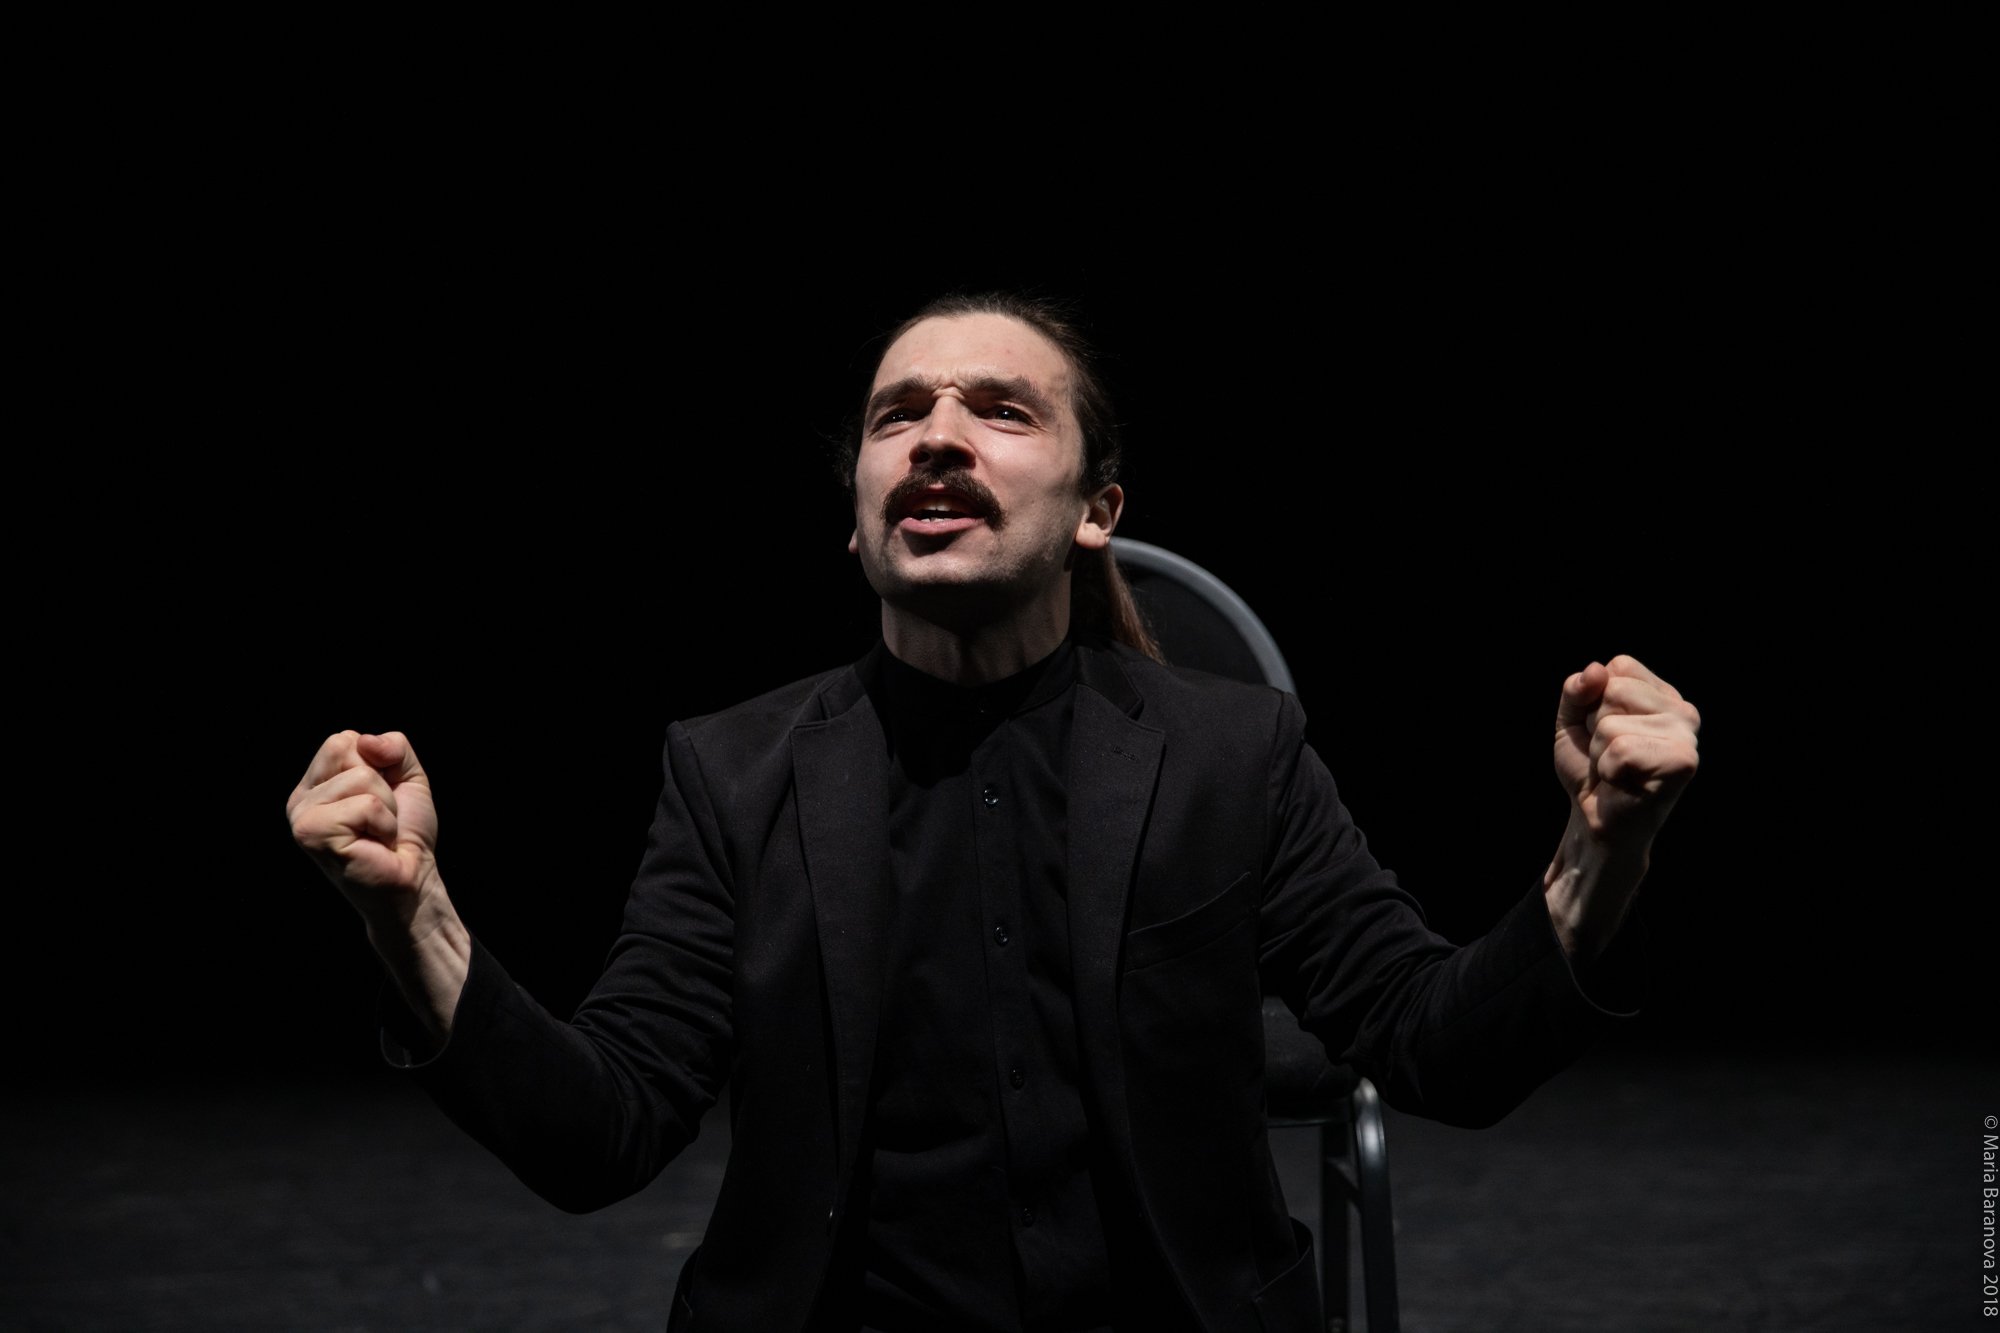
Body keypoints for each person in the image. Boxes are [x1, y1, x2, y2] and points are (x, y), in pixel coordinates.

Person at [286, 292, 1701, 1332]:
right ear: (857, 518)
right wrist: (415, 919)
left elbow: (1435, 1046)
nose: (939, 439)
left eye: (1000, 409)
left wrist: (1603, 850)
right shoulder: (731, 771)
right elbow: (604, 1132)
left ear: (1097, 508)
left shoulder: (1233, 752)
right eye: (900, 415)